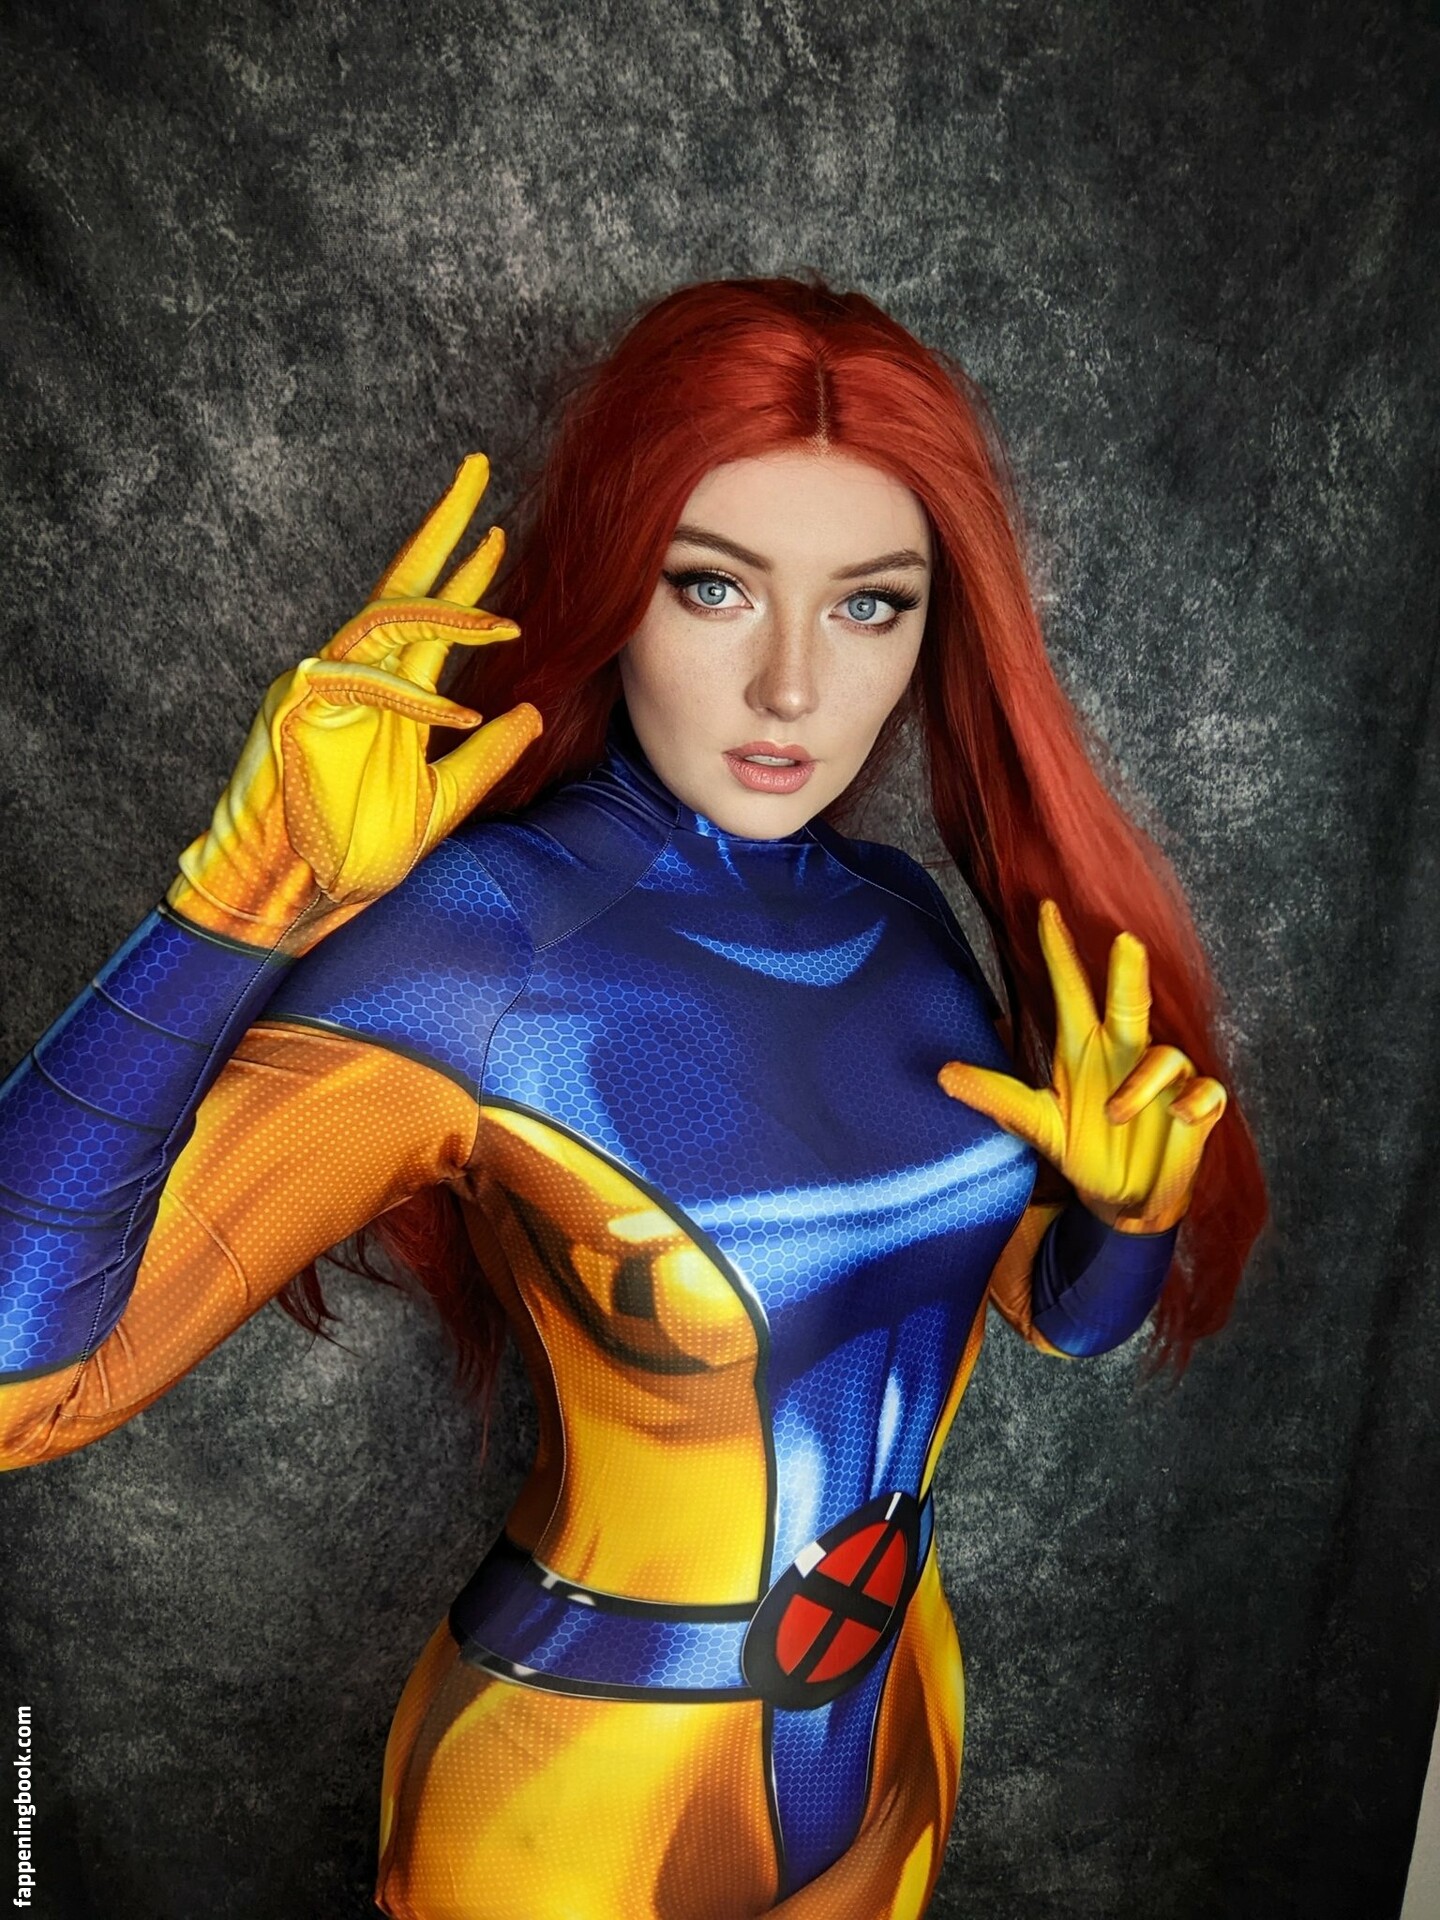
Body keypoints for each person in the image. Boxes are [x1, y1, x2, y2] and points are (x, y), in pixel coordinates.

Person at [0, 276, 1265, 1918]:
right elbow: (20, 1397)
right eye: (713, 586)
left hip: (891, 1747)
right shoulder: (482, 946)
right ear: (618, 580)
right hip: (571, 1801)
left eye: (870, 605)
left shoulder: (903, 923)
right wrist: (238, 904)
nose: (792, 688)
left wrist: (1121, 1222)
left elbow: (1047, 1315)